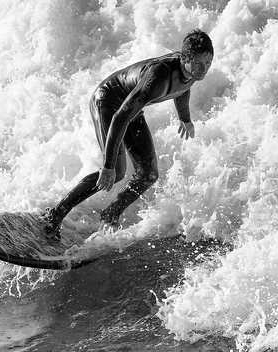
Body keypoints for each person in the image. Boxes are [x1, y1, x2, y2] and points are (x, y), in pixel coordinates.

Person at [44, 29, 214, 240]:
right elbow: (119, 118)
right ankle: (54, 215)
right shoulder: (159, 76)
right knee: (116, 172)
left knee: (148, 174)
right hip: (108, 101)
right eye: (198, 64)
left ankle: (110, 214)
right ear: (184, 58)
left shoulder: (192, 71)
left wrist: (185, 118)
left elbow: (183, 88)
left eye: (208, 63)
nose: (203, 70)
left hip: (130, 109)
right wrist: (107, 166)